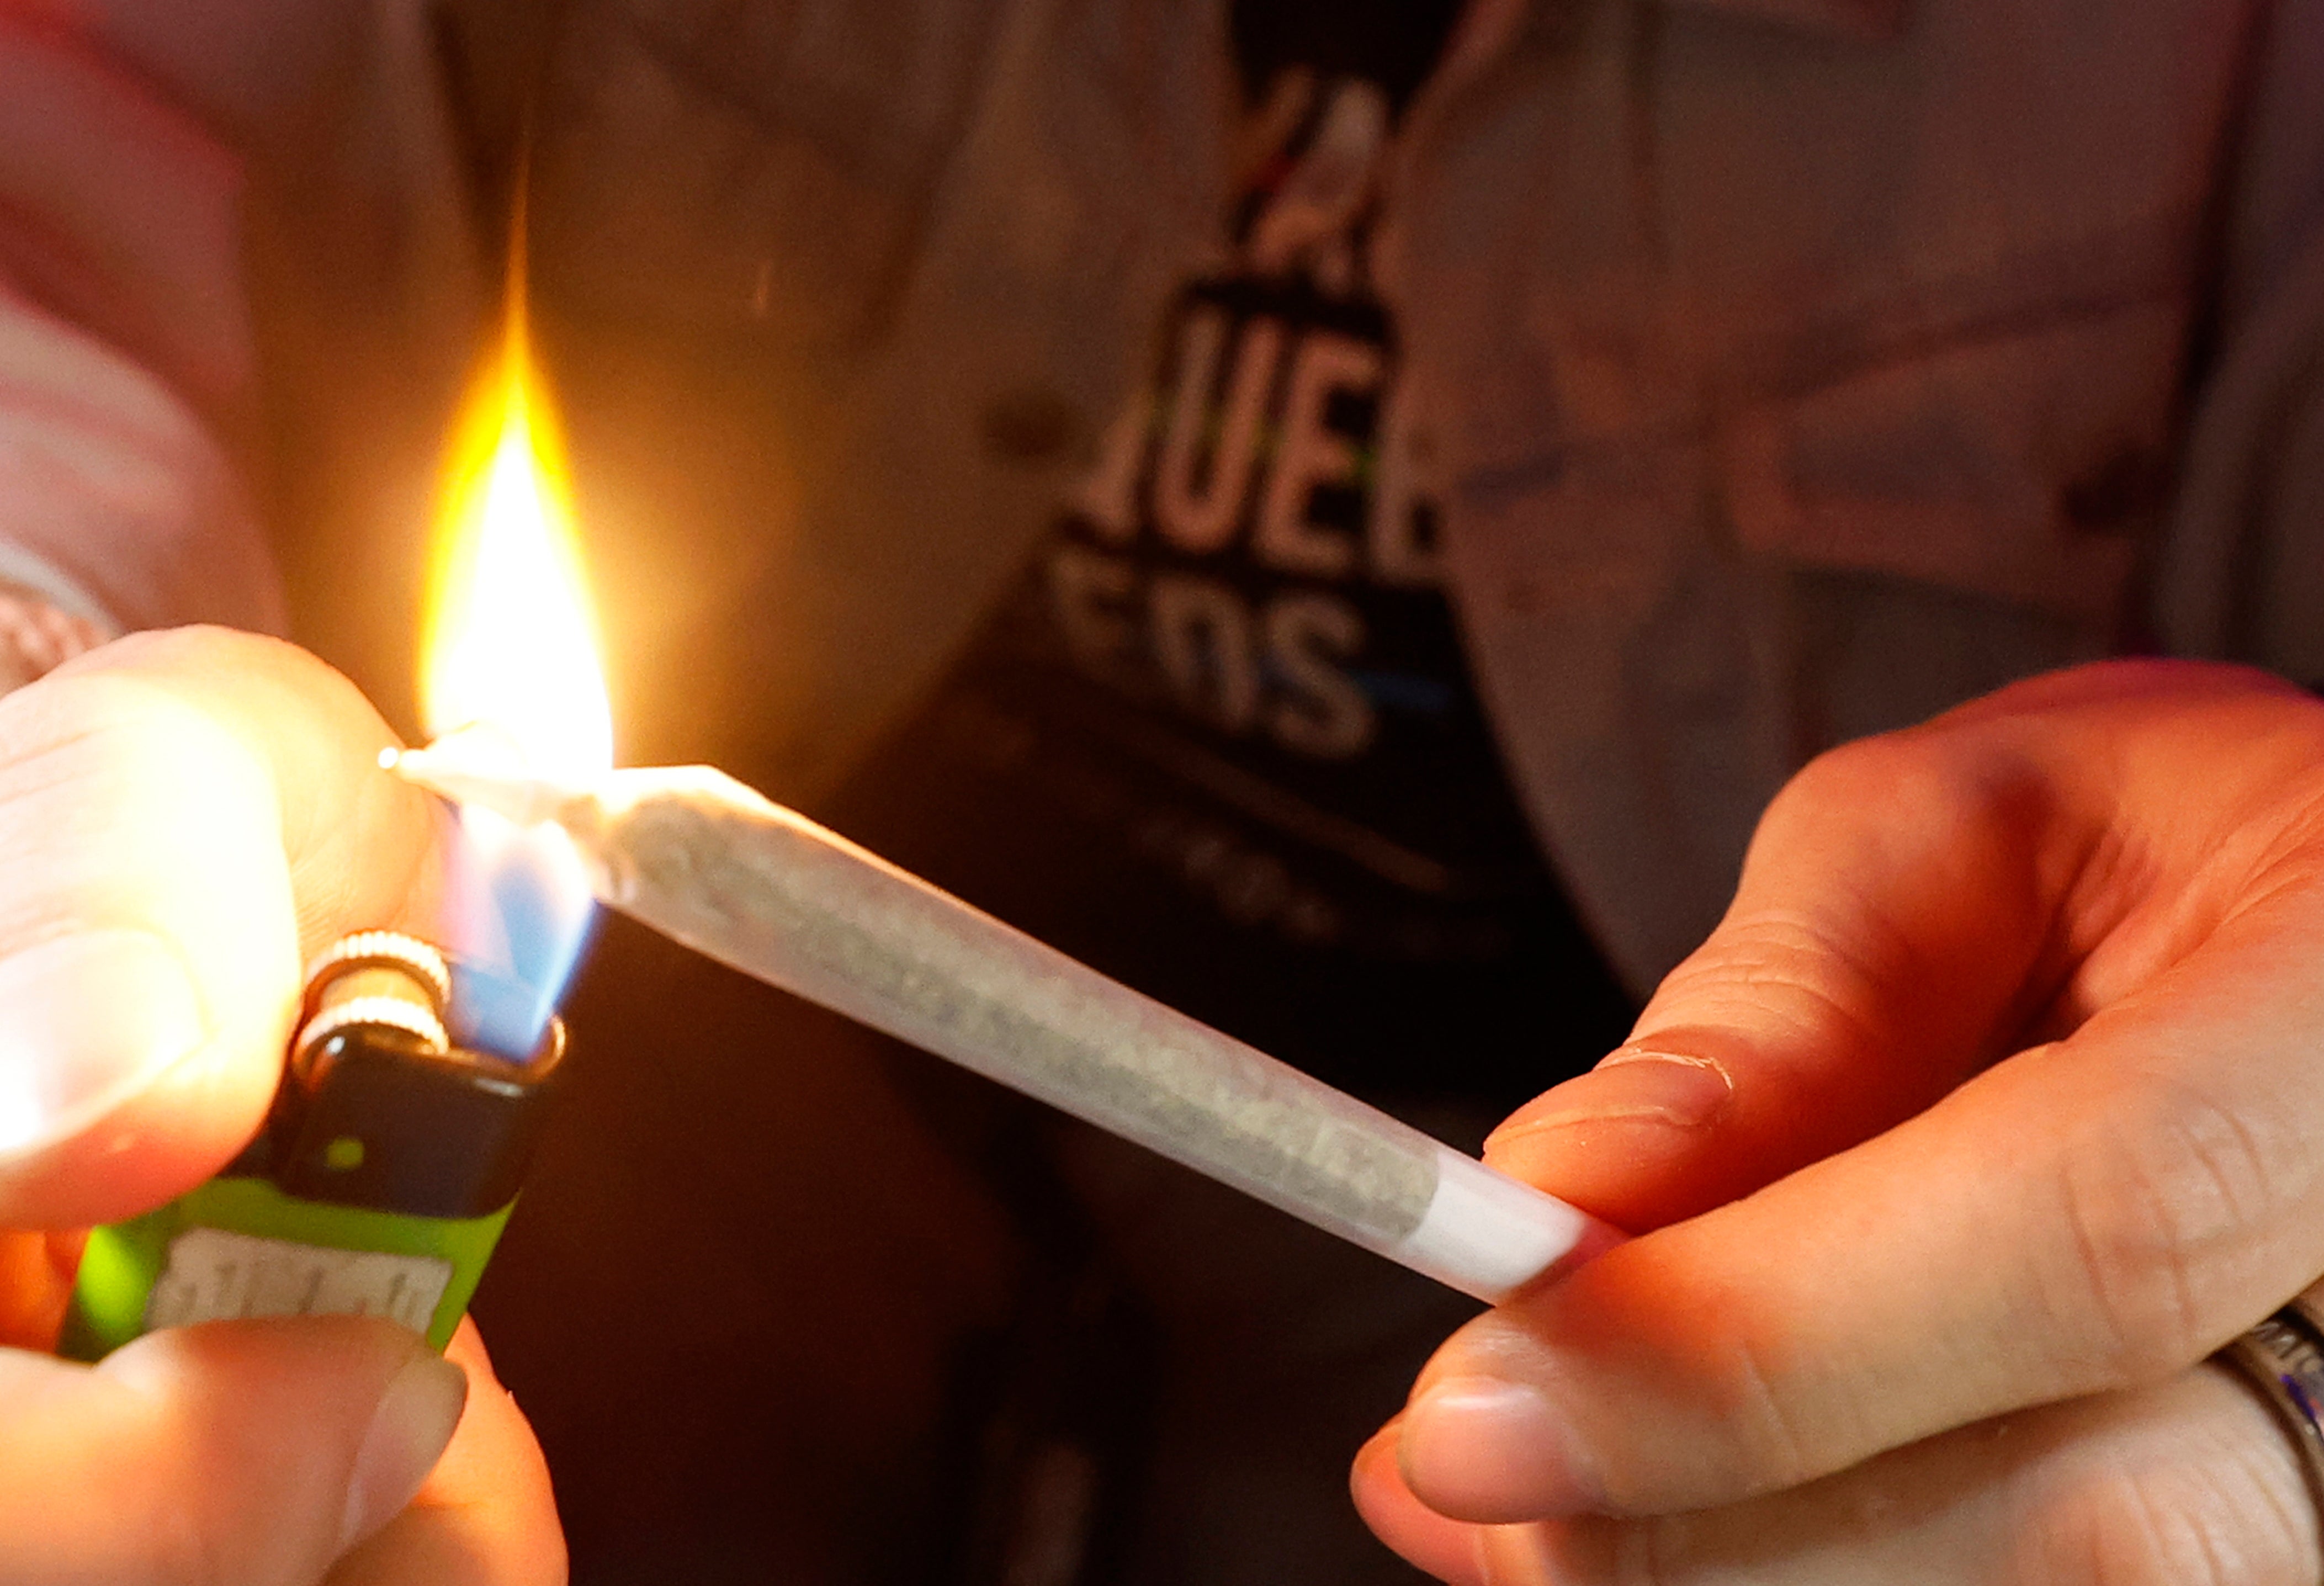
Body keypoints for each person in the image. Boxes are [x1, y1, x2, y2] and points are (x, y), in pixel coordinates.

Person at [6, 1, 2324, 1583]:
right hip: (733, 1218)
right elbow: (72, 215)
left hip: (1598, 1282)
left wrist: (2280, 1329)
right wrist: (51, 703)